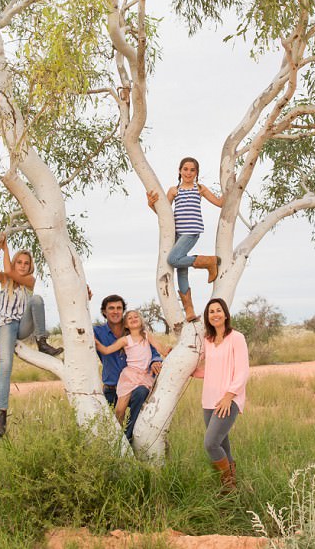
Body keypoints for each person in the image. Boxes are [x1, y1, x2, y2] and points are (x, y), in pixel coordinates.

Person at [0, 237, 63, 439]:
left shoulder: (30, 282)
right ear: (15, 262)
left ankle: (42, 342)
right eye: (20, 262)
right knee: (6, 365)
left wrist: (6, 246)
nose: (23, 266)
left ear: (30, 267)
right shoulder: (5, 280)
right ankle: (1, 418)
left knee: (37, 299)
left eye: (26, 263)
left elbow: (9, 271)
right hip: (6, 327)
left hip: (24, 327)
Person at [146, 157, 223, 322]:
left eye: (192, 170)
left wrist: (231, 188)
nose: (188, 172)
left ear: (196, 173)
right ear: (180, 171)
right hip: (177, 234)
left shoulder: (200, 189)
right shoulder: (174, 190)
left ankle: (209, 261)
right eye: (185, 169)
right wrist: (151, 204)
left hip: (192, 232)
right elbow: (163, 213)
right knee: (181, 269)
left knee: (173, 259)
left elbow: (220, 202)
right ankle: (189, 311)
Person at [192, 297, 249, 492]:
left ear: (225, 314)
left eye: (218, 310)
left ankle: (228, 487)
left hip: (228, 399)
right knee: (223, 444)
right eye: (211, 312)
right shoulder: (207, 341)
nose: (215, 314)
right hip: (209, 400)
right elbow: (210, 370)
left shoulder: (236, 337)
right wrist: (186, 369)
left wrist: (228, 396)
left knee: (211, 443)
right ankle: (232, 488)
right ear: (207, 318)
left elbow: (242, 371)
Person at [94, 294, 163, 440]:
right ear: (104, 312)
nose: (115, 311)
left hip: (140, 382)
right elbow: (103, 348)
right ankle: (115, 444)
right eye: (111, 308)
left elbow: (155, 350)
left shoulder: (142, 335)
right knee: (114, 418)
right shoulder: (98, 332)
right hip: (113, 387)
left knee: (140, 394)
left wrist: (155, 360)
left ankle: (128, 438)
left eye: (119, 308)